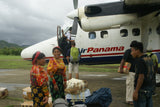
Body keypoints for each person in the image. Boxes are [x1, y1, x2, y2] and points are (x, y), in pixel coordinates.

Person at [131, 42, 153, 107]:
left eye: (132, 51)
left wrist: (136, 91)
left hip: (141, 91)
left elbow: (141, 77)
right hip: (149, 89)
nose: (131, 53)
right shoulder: (149, 58)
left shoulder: (140, 61)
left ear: (137, 50)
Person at [119, 40, 137, 105]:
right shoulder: (128, 52)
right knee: (130, 85)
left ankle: (132, 99)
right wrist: (121, 68)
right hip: (130, 71)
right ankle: (129, 100)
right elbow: (123, 60)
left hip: (135, 71)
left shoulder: (135, 52)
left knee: (133, 85)